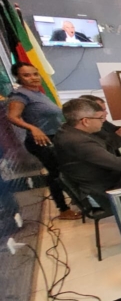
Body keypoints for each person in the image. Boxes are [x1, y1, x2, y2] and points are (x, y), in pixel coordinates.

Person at [6, 62, 81, 220]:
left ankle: (77, 199)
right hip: (41, 141)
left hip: (54, 137)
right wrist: (33, 128)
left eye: (35, 74)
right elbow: (12, 117)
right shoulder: (20, 95)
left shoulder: (38, 93)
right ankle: (63, 209)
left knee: (64, 170)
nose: (33, 78)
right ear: (18, 77)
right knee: (56, 174)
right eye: (26, 75)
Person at [53, 99, 121, 211]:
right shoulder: (78, 141)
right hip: (101, 193)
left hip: (102, 181)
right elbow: (118, 164)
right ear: (85, 121)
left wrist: (119, 136)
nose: (103, 121)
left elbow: (106, 148)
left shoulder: (69, 131)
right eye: (100, 118)